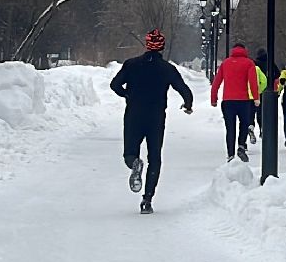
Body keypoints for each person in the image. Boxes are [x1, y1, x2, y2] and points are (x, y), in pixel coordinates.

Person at [109, 29, 194, 215]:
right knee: (154, 157)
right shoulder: (167, 69)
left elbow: (114, 84)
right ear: (162, 47)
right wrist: (188, 104)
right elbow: (183, 89)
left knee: (130, 152)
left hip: (134, 114)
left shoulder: (131, 65)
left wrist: (127, 95)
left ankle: (134, 163)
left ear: (147, 45)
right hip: (156, 117)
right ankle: (147, 200)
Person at [209, 43, 261, 162]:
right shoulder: (249, 63)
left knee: (230, 128)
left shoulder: (225, 63)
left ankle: (231, 154)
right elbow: (253, 82)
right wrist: (256, 98)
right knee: (244, 124)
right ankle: (241, 146)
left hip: (228, 101)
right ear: (244, 50)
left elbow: (216, 82)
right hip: (243, 101)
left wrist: (214, 98)